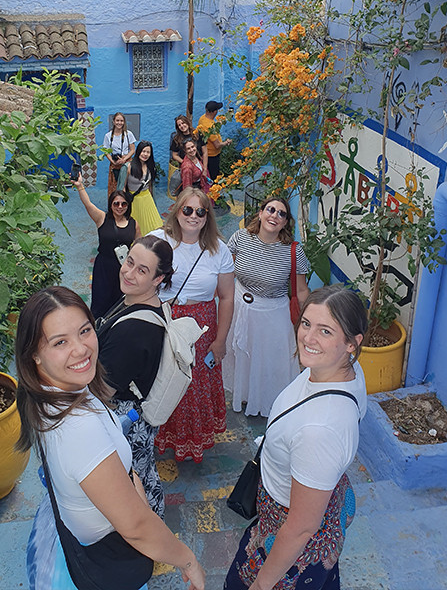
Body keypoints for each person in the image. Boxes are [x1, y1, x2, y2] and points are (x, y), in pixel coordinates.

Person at [16, 286, 206, 590]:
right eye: (60, 342)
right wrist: (188, 561)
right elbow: (135, 526)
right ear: (35, 355)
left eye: (85, 331)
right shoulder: (78, 428)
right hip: (105, 555)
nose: (81, 349)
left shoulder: (52, 394)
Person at [224, 285, 368, 590]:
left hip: (289, 527)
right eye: (306, 324)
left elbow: (301, 528)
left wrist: (262, 585)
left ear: (352, 344)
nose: (308, 338)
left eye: (325, 331)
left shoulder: (320, 432)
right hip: (314, 498)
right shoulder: (337, 370)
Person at [150, 187, 234, 462]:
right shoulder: (157, 241)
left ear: (207, 216)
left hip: (202, 327)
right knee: (163, 379)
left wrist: (220, 341)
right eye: (188, 209)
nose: (194, 216)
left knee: (193, 387)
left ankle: (193, 440)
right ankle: (162, 435)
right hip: (165, 322)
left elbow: (226, 297)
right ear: (177, 211)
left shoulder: (219, 250)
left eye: (201, 211)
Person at [97, 235, 174, 517]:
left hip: (124, 420)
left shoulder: (134, 332)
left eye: (142, 270)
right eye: (129, 262)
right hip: (140, 415)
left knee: (129, 485)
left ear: (158, 279)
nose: (129, 273)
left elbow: (103, 388)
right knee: (141, 473)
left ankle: (144, 537)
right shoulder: (143, 302)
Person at [223, 196, 310, 418]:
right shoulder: (240, 238)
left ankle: (270, 405)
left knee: (270, 364)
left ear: (285, 223)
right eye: (270, 210)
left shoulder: (292, 251)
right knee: (243, 356)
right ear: (260, 213)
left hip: (273, 315)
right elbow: (224, 272)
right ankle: (245, 396)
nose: (275, 215)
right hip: (240, 308)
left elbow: (301, 291)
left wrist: (309, 321)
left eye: (281, 213)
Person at [73, 175, 139, 319]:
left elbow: (139, 247)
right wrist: (80, 186)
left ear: (128, 206)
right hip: (103, 266)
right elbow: (88, 204)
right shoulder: (102, 218)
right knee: (100, 301)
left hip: (123, 268)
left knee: (120, 301)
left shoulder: (134, 224)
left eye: (123, 204)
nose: (120, 207)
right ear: (110, 205)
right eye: (116, 204)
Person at [120, 141, 163, 235]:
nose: (145, 154)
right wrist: (123, 204)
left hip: (147, 199)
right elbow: (122, 187)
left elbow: (151, 186)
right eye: (143, 151)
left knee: (152, 225)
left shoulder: (151, 167)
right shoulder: (128, 166)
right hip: (133, 200)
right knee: (135, 227)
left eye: (148, 152)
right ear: (138, 151)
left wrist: (153, 202)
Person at [195, 100, 231, 182]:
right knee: (213, 177)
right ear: (214, 112)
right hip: (212, 156)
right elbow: (217, 145)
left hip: (205, 153)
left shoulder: (203, 118)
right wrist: (226, 142)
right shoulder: (209, 126)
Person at [103, 112, 136, 196]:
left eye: (121, 121)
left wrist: (124, 159)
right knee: (114, 187)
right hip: (114, 164)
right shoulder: (108, 136)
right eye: (117, 120)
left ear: (124, 122)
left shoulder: (129, 134)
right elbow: (106, 151)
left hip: (127, 163)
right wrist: (113, 161)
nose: (119, 123)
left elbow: (132, 150)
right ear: (113, 121)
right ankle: (114, 207)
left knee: (127, 186)